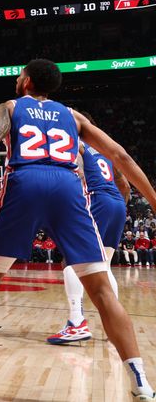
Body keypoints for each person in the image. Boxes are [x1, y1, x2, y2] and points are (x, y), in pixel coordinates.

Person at [0, 59, 156, 400]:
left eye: (20, 75)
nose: (18, 79)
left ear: (27, 80)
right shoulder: (74, 116)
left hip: (25, 182)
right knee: (103, 291)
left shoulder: (12, 106)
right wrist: (152, 198)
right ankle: (140, 381)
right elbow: (119, 155)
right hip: (67, 187)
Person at [48, 114, 130, 344]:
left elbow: (74, 170)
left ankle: (76, 323)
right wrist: (120, 203)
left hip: (98, 200)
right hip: (116, 204)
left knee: (71, 261)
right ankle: (114, 325)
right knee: (104, 267)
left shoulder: (79, 143)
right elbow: (123, 184)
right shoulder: (105, 149)